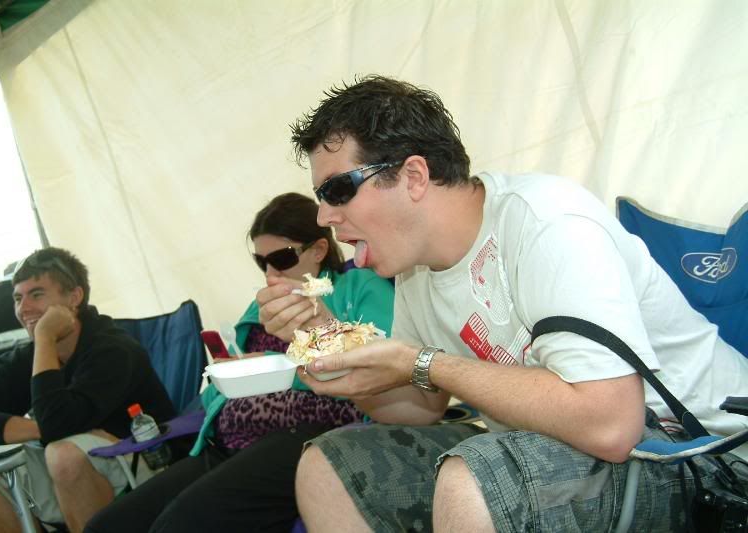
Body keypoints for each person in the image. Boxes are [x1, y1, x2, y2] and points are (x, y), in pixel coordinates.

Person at [286, 75, 748, 532]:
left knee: (475, 480)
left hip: (706, 456)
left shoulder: (548, 222)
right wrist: (342, 365)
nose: (324, 216)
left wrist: (423, 363)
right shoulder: (415, 271)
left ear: (413, 176)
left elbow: (611, 425)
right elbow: (421, 409)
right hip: (569, 445)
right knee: (329, 468)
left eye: (337, 190)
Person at [85, 192, 394, 533]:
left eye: (281, 257)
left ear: (319, 250)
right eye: (262, 262)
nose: (271, 272)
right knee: (107, 526)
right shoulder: (260, 306)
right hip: (230, 439)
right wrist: (226, 376)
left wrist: (281, 365)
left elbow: (383, 367)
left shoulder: (357, 287)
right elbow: (222, 386)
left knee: (176, 526)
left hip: (307, 435)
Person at [0, 247, 176, 533]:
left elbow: (58, 423)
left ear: (74, 297)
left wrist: (45, 338)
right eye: (18, 298)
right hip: (76, 466)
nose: (23, 309)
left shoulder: (112, 349)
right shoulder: (27, 357)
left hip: (148, 461)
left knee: (64, 454)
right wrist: (38, 429)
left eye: (36, 294)